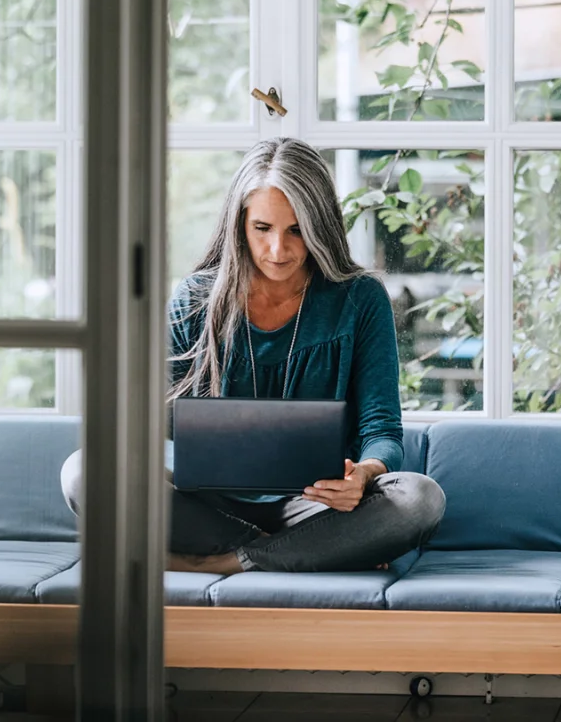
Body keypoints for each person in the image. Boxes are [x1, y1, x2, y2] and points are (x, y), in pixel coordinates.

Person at [60, 138, 445, 573]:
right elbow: (155, 431)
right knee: (83, 471)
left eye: (296, 230)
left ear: (320, 226)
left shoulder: (360, 299)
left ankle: (227, 561)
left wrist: (366, 474)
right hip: (207, 509)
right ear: (239, 223)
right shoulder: (194, 299)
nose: (278, 251)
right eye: (263, 228)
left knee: (420, 499)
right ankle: (300, 551)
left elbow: (383, 430)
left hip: (315, 507)